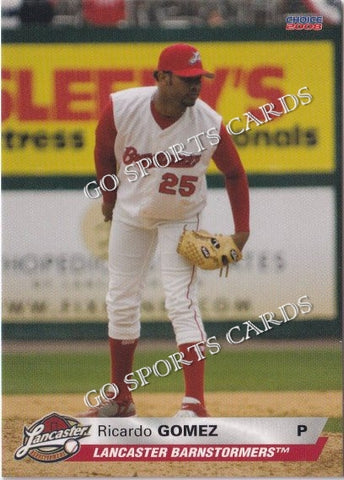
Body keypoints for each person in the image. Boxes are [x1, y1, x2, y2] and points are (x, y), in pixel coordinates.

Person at [79, 43, 250, 418]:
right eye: (188, 79)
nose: (196, 86)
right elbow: (102, 151)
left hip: (181, 217)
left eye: (199, 79)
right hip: (131, 214)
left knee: (181, 301)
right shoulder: (123, 107)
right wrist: (108, 198)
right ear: (161, 77)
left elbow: (235, 173)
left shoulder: (207, 123)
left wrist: (242, 231)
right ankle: (121, 399)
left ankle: (194, 404)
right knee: (120, 301)